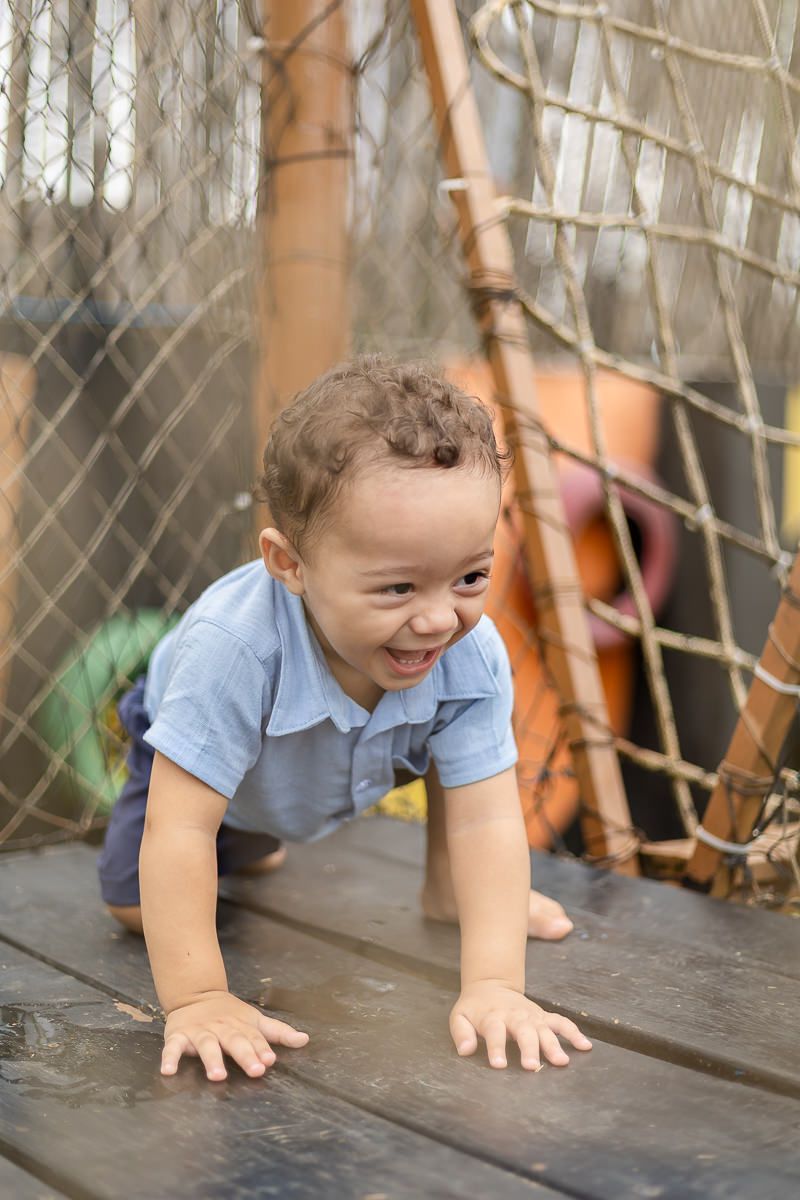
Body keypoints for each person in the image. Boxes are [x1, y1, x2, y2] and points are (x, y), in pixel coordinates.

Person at [98, 357, 592, 1082]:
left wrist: (494, 986)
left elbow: (487, 817)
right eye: (397, 586)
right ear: (289, 564)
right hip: (210, 757)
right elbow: (180, 829)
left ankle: (446, 888)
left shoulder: (467, 652)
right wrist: (200, 997)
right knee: (141, 902)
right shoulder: (233, 651)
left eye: (470, 577)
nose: (436, 617)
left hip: (319, 759)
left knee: (457, 756)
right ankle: (249, 836)